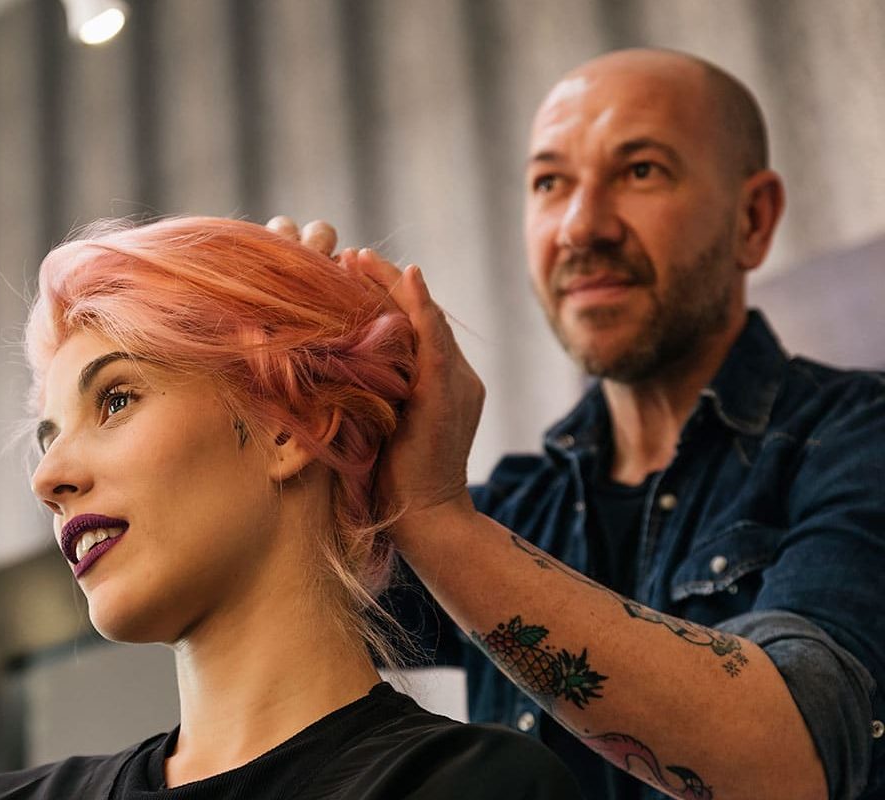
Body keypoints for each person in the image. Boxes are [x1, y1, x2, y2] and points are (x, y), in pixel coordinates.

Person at [272, 48, 884, 800]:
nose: (580, 227)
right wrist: (289, 400)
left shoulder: (860, 440)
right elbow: (283, 595)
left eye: (641, 171)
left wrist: (434, 516)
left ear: (752, 219)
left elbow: (793, 761)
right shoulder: (517, 509)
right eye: (549, 183)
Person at [0, 217, 582, 799]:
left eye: (115, 400)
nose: (48, 479)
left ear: (292, 427)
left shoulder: (466, 786)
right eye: (48, 436)